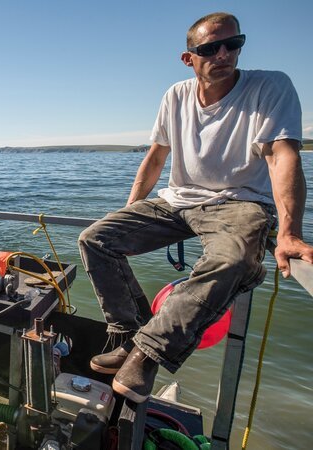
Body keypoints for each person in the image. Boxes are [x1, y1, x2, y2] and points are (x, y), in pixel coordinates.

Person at [77, 12, 313, 404]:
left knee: (233, 260)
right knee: (95, 239)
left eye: (232, 44)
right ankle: (128, 335)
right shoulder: (176, 95)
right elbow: (156, 156)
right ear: (189, 58)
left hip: (239, 203)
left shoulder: (270, 87)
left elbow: (282, 156)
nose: (223, 54)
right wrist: (130, 210)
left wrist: (289, 233)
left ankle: (147, 353)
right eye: (210, 48)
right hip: (178, 201)